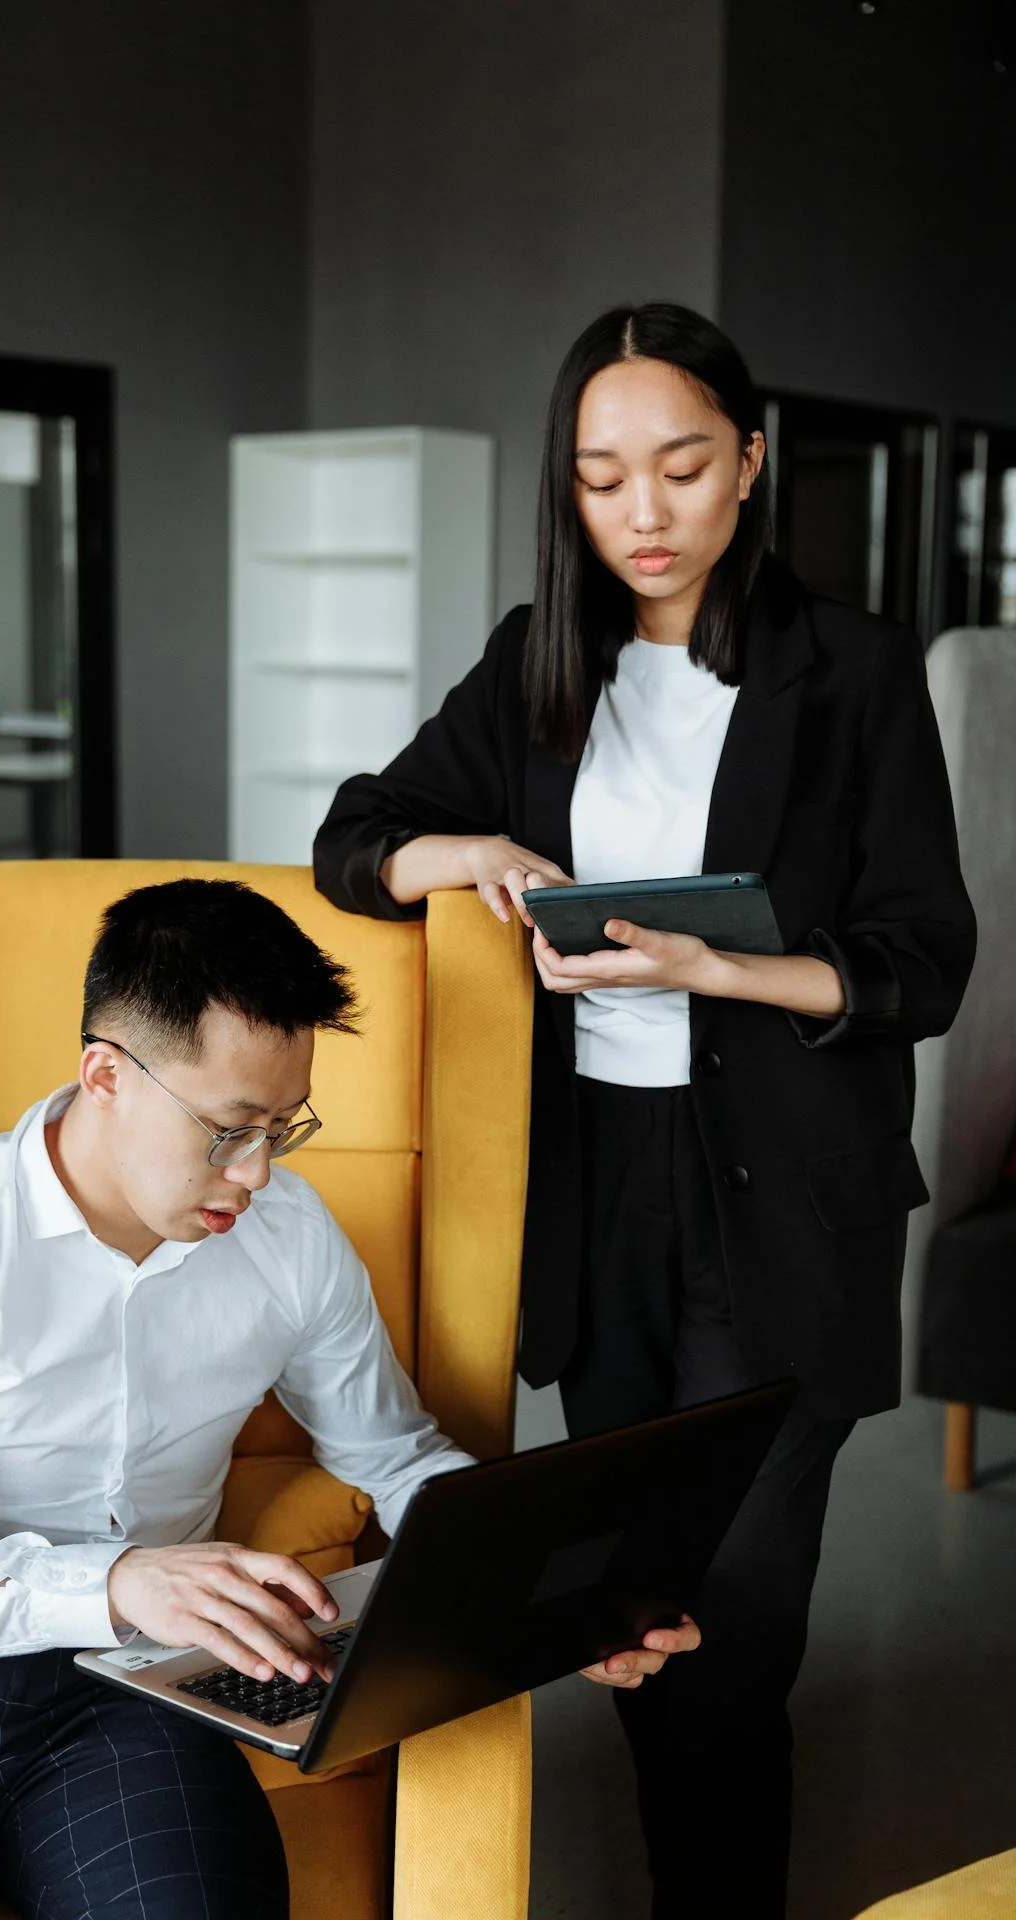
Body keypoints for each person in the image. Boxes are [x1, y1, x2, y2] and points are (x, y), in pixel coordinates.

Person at [313, 302, 976, 1919]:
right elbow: (358, 833)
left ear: (750, 462)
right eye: (605, 477)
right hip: (601, 1186)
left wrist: (721, 970)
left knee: (738, 1625)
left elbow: (924, 962)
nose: (646, 511)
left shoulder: (857, 670)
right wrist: (452, 856)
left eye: (683, 465)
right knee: (633, 1597)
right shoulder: (542, 661)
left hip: (783, 1191)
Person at [0, 877, 696, 1919]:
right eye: (228, 1128)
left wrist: (554, 1595)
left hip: (131, 1694)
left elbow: (392, 1454)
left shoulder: (287, 1237)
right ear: (105, 1076)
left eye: (284, 1126)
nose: (253, 1174)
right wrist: (118, 1581)